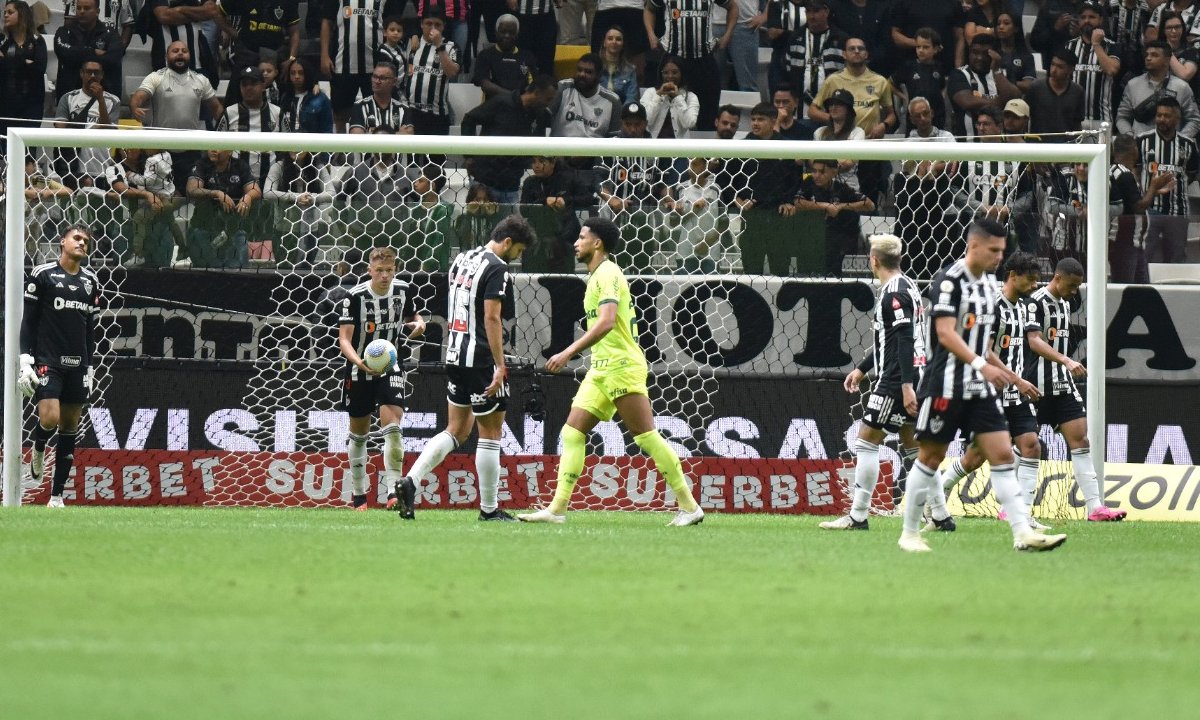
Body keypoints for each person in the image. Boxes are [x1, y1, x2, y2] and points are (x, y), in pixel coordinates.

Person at [519, 216, 705, 526]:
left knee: (646, 437)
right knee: (572, 432)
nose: (575, 242)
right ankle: (557, 509)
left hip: (621, 366)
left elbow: (606, 321)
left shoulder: (608, 273)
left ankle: (689, 506)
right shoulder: (596, 276)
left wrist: (567, 352)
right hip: (601, 369)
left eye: (581, 237)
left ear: (597, 243)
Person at [898, 219, 1067, 553]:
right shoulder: (948, 280)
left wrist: (993, 368)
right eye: (993, 250)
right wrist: (981, 365)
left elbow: (983, 342)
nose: (997, 258)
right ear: (973, 245)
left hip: (979, 386)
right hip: (945, 383)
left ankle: (1023, 533)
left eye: (1001, 252)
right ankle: (909, 533)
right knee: (932, 456)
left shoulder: (990, 286)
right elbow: (946, 334)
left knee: (1003, 454)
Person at [393, 216, 535, 520]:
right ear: (507, 242)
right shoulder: (497, 268)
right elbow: (492, 318)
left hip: (455, 354)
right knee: (491, 432)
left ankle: (410, 481)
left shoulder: (461, 258)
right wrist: (500, 365)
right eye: (519, 250)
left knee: (456, 429)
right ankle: (489, 509)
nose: (517, 257)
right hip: (481, 359)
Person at [926, 252, 1047, 530]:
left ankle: (1022, 514)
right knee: (975, 458)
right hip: (992, 390)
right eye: (1029, 280)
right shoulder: (992, 305)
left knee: (1031, 445)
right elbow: (985, 350)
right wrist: (1016, 379)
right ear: (1012, 276)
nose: (1033, 286)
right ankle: (939, 494)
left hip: (1015, 392)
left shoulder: (1025, 308)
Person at [820, 233, 927, 531]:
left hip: (896, 380)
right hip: (910, 373)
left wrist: (905, 386)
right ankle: (938, 513)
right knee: (911, 444)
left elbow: (904, 340)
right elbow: (891, 340)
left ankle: (858, 516)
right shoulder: (908, 286)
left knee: (866, 442)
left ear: (874, 260)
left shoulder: (893, 293)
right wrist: (863, 369)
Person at [1026, 258, 1127, 521]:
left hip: (1062, 382)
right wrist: (1066, 359)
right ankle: (1015, 507)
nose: (1074, 291)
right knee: (1026, 445)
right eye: (1072, 285)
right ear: (1057, 278)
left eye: (1078, 286)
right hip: (1034, 384)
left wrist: (1064, 364)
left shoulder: (1064, 301)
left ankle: (1094, 508)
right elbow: (1034, 341)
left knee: (1080, 440)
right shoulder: (1035, 301)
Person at [338, 246, 426, 511]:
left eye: (389, 271)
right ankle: (359, 495)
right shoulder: (354, 296)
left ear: (395, 269)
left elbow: (413, 316)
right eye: (379, 271)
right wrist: (360, 363)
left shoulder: (403, 289)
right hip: (360, 369)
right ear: (369, 270)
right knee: (359, 435)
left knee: (394, 429)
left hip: (390, 366)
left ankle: (392, 492)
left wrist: (419, 323)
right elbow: (344, 339)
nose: (385, 276)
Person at [18, 224, 101, 508]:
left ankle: (56, 497)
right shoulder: (43, 275)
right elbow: (28, 321)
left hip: (77, 364)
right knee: (50, 419)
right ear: (63, 241)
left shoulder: (91, 282)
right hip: (48, 360)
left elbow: (90, 328)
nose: (81, 243)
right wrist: (24, 358)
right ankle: (39, 447)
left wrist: (90, 367)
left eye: (86, 241)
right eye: (76, 238)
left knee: (69, 427)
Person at [130, 41, 224, 196]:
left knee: (190, 195)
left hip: (191, 151)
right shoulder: (156, 77)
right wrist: (134, 107)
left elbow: (217, 109)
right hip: (162, 151)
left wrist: (226, 130)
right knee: (167, 198)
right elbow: (138, 96)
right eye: (175, 51)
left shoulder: (201, 80)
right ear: (167, 56)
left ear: (190, 56)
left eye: (184, 51)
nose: (180, 53)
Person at [461, 72, 557, 203]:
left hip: (512, 184)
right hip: (485, 182)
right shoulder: (502, 102)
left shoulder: (540, 116)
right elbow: (469, 119)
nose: (548, 104)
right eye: (548, 99)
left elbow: (536, 145)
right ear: (537, 92)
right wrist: (468, 155)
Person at [645, 0, 736, 128]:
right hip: (673, 59)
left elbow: (733, 7)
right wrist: (651, 35)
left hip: (704, 59)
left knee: (708, 114)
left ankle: (705, 146)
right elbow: (649, 9)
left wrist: (727, 36)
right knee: (666, 110)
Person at [1137, 96, 1199, 263]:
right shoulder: (1143, 140)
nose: (1161, 119)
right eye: (1159, 115)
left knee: (1177, 258)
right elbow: (1135, 170)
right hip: (1149, 211)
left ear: (1177, 118)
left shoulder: (1188, 144)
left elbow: (1192, 173)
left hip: (1178, 211)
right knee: (1145, 256)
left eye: (1167, 116)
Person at [788, 157, 874, 275]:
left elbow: (869, 205)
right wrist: (825, 206)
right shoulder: (808, 183)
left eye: (822, 172)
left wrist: (841, 206)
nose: (817, 175)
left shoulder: (840, 188)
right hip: (810, 241)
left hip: (836, 242)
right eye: (814, 171)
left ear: (833, 172)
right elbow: (797, 202)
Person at [1109, 133, 1175, 282]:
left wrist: (1155, 192)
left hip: (1133, 241)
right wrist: (1153, 185)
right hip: (1125, 241)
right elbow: (1138, 207)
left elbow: (1132, 200)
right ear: (1134, 150)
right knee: (1127, 288)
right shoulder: (1125, 175)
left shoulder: (1115, 171)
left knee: (1142, 289)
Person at [184, 149, 261, 268]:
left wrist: (248, 197)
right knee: (204, 275)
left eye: (218, 146)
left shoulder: (240, 165)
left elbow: (256, 190)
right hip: (204, 228)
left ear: (230, 151)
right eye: (211, 146)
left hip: (233, 230)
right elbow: (192, 189)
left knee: (237, 274)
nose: (213, 149)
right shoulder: (201, 164)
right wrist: (217, 193)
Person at [322, 0, 387, 132]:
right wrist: (324, 55)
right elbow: (327, 22)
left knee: (377, 113)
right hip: (343, 64)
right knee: (340, 114)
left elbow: (392, 24)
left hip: (375, 66)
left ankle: (375, 151)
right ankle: (341, 151)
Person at [1117, 41, 1200, 139]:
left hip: (1171, 148)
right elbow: (1122, 117)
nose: (1148, 58)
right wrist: (1130, 137)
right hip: (1139, 146)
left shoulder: (1181, 87)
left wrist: (1180, 139)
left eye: (1154, 55)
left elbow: (1194, 120)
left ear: (1167, 60)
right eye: (1147, 55)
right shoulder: (1133, 85)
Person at [52, 0, 125, 100]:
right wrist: (92, 51)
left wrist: (77, 55)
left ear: (97, 11)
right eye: (78, 8)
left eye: (86, 8)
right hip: (69, 97)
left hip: (104, 98)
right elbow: (64, 53)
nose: (81, 11)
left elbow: (113, 58)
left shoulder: (111, 34)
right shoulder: (64, 32)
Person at [786, 0, 847, 118]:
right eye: (808, 11)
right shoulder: (795, 37)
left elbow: (846, 73)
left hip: (833, 104)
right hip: (801, 106)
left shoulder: (840, 39)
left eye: (816, 11)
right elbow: (789, 69)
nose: (811, 16)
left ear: (826, 11)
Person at [1066, 1, 1122, 129]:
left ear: (1101, 20)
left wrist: (1096, 44)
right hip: (1072, 120)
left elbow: (1112, 70)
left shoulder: (1113, 47)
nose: (1087, 21)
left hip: (1102, 119)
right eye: (1083, 17)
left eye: (1092, 17)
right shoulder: (1068, 46)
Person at [0, 0, 49, 142]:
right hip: (5, 105)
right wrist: (25, 62)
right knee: (5, 152)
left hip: (31, 105)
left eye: (10, 12)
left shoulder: (37, 41)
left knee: (28, 153)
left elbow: (39, 69)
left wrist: (8, 60)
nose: (6, 16)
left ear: (21, 15)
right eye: (4, 13)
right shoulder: (3, 40)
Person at [549, 53, 622, 138]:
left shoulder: (613, 101)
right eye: (579, 70)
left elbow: (614, 139)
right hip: (560, 148)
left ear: (599, 76)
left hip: (594, 150)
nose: (582, 74)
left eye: (588, 72)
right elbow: (544, 118)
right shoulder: (563, 88)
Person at [473, 14, 537, 98]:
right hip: (494, 105)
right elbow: (485, 84)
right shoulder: (485, 55)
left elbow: (533, 84)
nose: (507, 35)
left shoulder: (527, 56)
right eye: (503, 32)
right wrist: (513, 97)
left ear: (517, 34)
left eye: (511, 32)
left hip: (521, 106)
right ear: (496, 32)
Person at [640, 54, 700, 139]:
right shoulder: (650, 93)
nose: (670, 76)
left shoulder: (691, 97)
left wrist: (678, 98)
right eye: (665, 73)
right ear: (661, 74)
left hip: (680, 149)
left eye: (675, 72)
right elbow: (646, 121)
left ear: (681, 74)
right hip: (653, 147)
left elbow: (689, 124)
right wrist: (658, 96)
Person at [348, 61, 413, 134]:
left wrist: (372, 134)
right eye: (375, 77)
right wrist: (396, 134)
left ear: (394, 81)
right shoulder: (359, 106)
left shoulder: (403, 109)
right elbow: (357, 138)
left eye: (382, 78)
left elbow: (408, 135)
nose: (377, 81)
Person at [596, 24, 638, 104]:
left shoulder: (630, 70)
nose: (614, 42)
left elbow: (631, 98)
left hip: (620, 112)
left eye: (618, 39)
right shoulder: (595, 66)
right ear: (604, 43)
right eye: (610, 38)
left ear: (623, 45)